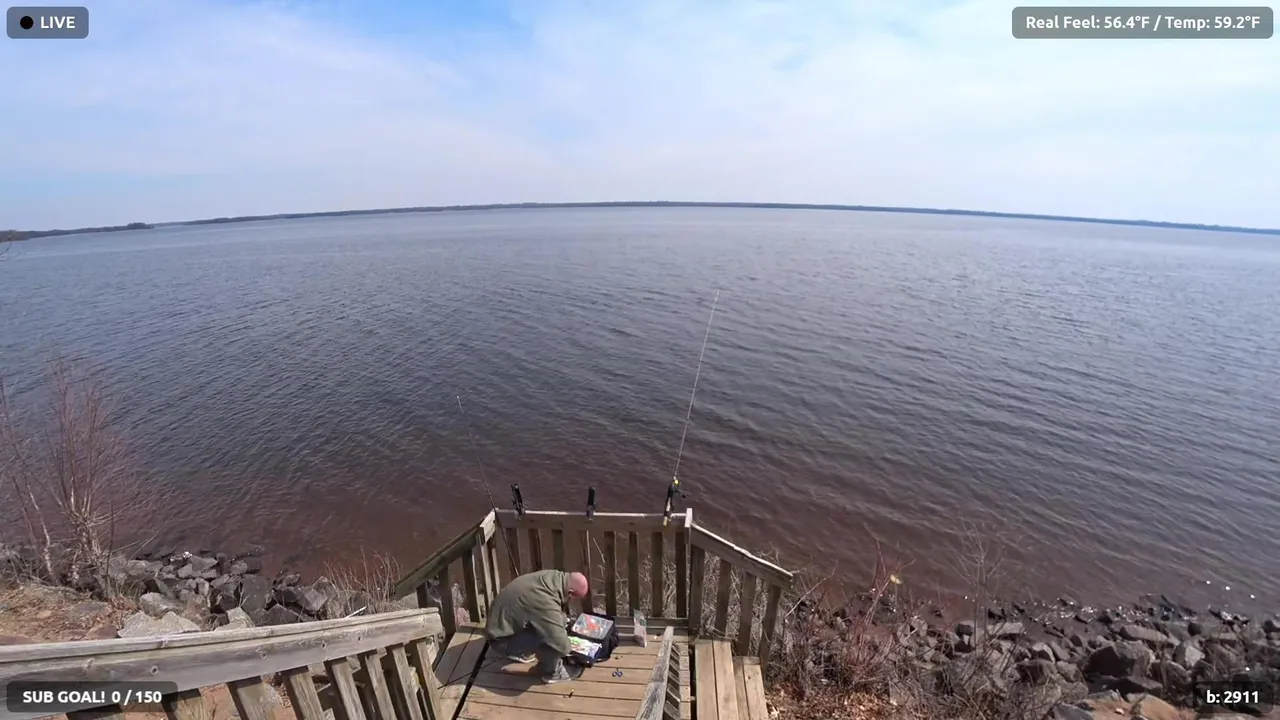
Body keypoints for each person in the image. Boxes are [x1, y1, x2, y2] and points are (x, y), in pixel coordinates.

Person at [485, 569, 591, 684]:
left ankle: (524, 651)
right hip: (501, 640)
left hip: (503, 625)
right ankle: (552, 673)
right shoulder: (543, 599)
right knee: (551, 639)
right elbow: (561, 646)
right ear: (570, 593)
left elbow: (551, 613)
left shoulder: (552, 577)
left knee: (558, 622)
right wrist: (575, 651)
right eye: (575, 599)